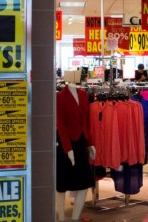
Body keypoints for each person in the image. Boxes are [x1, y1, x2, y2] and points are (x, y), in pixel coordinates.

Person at [55, 83, 94, 222]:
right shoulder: (59, 97)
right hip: (65, 144)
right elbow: (60, 124)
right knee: (61, 184)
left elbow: (86, 122)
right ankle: (61, 218)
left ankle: (75, 218)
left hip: (81, 143)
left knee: (84, 183)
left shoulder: (84, 95)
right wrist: (68, 149)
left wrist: (90, 143)